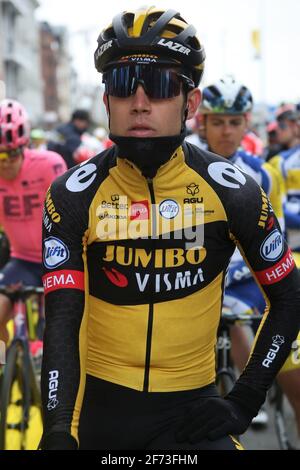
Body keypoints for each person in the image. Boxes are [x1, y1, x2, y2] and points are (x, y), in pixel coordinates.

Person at [40, 7, 300, 450]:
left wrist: (244, 398)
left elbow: (289, 295)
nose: (140, 103)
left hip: (192, 415)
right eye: (123, 86)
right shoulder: (72, 194)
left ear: (190, 103)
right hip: (96, 416)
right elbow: (62, 321)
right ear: (106, 102)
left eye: (160, 85)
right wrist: (59, 429)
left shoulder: (234, 191)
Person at [199, 76, 300, 434]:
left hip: (249, 282)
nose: (226, 131)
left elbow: (275, 243)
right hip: (200, 280)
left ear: (246, 124)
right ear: (202, 122)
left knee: (297, 384)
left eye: (234, 122)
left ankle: (248, 389)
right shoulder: (182, 168)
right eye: (218, 122)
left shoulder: (263, 174)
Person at [0, 99, 67, 344]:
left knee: (57, 327)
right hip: (22, 261)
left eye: (10, 154)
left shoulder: (49, 165)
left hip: (59, 258)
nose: (5, 163)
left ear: (24, 146)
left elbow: (71, 211)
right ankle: (3, 367)